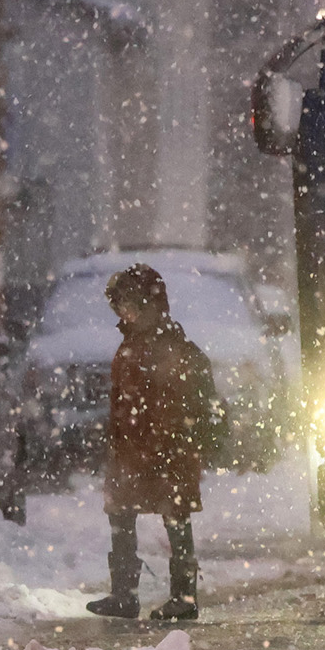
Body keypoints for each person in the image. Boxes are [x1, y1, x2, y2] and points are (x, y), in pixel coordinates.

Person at [88, 264, 217, 622]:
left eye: (131, 305)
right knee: (121, 515)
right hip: (133, 450)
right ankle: (124, 594)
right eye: (119, 306)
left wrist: (161, 446)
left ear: (151, 305)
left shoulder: (169, 347)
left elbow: (174, 405)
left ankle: (183, 596)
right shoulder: (133, 343)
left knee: (175, 518)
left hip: (165, 451)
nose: (124, 313)